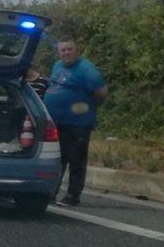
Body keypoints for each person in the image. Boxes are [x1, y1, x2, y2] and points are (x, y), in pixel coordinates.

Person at [42, 38, 107, 207]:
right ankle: (51, 192)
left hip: (78, 123)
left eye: (69, 49)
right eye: (63, 50)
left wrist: (87, 106)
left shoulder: (87, 70)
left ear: (77, 51)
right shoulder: (57, 66)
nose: (66, 53)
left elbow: (101, 92)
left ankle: (73, 195)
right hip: (57, 122)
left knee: (76, 159)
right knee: (57, 158)